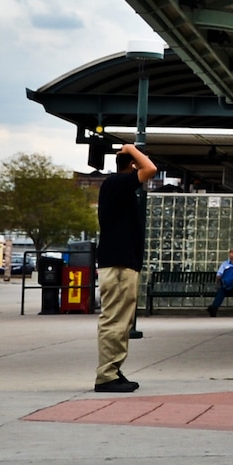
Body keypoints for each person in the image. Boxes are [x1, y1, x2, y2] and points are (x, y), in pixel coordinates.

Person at [93, 143, 156, 393]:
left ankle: (112, 370)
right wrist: (130, 147)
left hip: (120, 263)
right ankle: (107, 375)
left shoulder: (117, 188)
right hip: (118, 265)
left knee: (120, 321)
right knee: (115, 321)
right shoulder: (118, 183)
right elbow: (150, 168)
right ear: (132, 165)